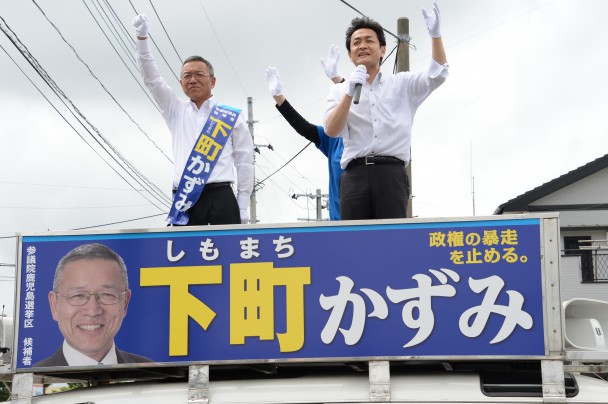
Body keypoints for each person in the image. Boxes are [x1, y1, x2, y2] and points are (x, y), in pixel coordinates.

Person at [323, 0, 449, 220]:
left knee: (392, 242)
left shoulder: (402, 83)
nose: (362, 46)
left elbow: (437, 74)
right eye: (356, 43)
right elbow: (332, 130)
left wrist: (435, 35)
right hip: (354, 175)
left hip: (391, 173)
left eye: (369, 41)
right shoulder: (339, 90)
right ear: (351, 55)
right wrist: (349, 92)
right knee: (355, 243)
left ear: (382, 49)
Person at [132, 15, 254, 226]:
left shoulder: (230, 116)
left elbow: (244, 161)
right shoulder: (175, 110)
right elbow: (152, 79)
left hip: (221, 196)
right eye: (187, 76)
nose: (193, 80)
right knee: (184, 257)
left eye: (199, 74)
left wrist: (243, 203)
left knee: (227, 256)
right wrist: (142, 39)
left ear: (212, 81)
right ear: (181, 83)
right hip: (185, 197)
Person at [34, 243, 152, 367]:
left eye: (107, 294)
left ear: (125, 303)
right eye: (78, 296)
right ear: (54, 305)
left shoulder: (156, 376)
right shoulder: (31, 379)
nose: (92, 310)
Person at [265, 45, 344, 220]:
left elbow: (364, 102)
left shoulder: (371, 137)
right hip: (340, 221)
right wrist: (279, 98)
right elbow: (304, 128)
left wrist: (339, 80)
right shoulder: (335, 139)